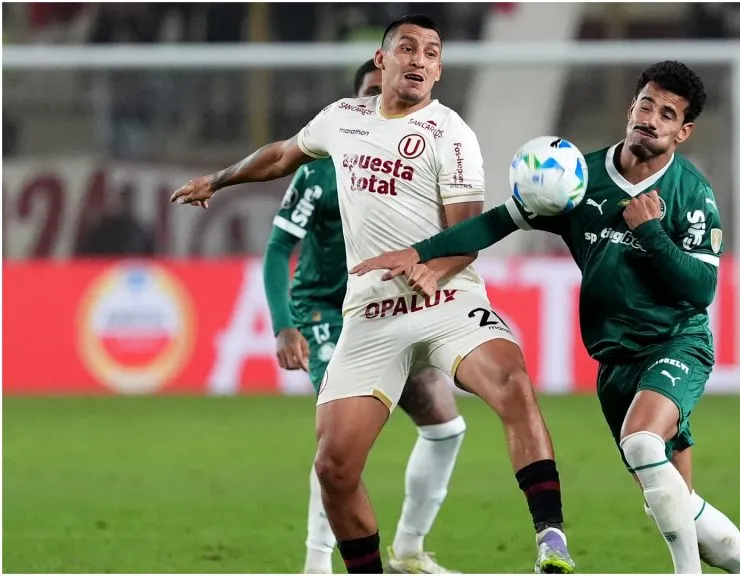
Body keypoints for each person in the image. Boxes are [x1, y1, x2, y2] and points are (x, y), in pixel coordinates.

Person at [170, 14, 575, 575]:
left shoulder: (450, 133)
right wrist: (219, 179)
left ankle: (550, 538)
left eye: (431, 53)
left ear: (438, 70)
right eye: (407, 48)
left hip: (445, 300)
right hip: (371, 313)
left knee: (512, 384)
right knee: (334, 466)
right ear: (382, 61)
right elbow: (282, 154)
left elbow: (467, 229)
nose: (420, 59)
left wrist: (435, 266)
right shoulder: (342, 119)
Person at [353, 61, 740, 575]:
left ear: (683, 132)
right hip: (616, 364)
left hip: (675, 345)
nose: (652, 119)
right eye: (647, 104)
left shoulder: (692, 194)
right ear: (631, 107)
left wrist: (652, 232)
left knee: (642, 442)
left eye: (668, 114)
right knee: (673, 502)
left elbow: (701, 289)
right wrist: (419, 252)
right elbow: (493, 225)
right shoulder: (578, 180)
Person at [263, 59, 461, 574]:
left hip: (388, 308)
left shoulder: (425, 160)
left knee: (446, 426)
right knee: (341, 442)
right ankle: (316, 563)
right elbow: (279, 246)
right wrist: (284, 323)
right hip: (326, 308)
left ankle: (410, 553)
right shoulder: (318, 169)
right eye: (371, 92)